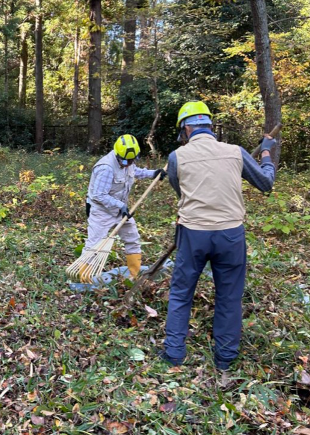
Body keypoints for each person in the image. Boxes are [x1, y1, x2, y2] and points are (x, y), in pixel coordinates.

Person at [159, 101, 276, 371]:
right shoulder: (236, 152)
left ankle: (174, 353)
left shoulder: (177, 157)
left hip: (193, 234)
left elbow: (180, 190)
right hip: (230, 235)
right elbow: (265, 183)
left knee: (180, 293)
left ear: (186, 128)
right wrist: (266, 154)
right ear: (209, 125)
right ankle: (225, 357)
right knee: (229, 295)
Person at [84, 134, 166, 280]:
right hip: (101, 211)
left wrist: (154, 173)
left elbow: (136, 171)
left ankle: (134, 274)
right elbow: (98, 195)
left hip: (121, 210)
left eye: (132, 160)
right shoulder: (106, 168)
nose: (128, 163)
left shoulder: (128, 160)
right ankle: (85, 277)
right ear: (117, 154)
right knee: (95, 244)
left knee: (132, 238)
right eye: (125, 160)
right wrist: (120, 205)